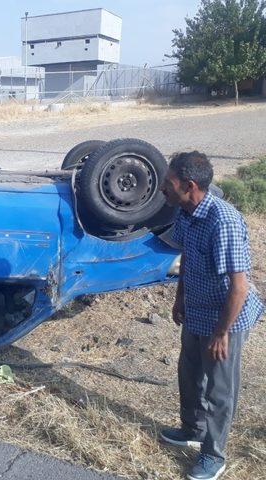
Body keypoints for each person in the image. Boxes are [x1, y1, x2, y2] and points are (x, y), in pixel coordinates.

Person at [159, 151, 263, 480]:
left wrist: (221, 333)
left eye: (169, 183)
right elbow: (187, 255)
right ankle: (192, 429)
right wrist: (180, 297)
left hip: (225, 317)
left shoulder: (224, 220)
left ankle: (213, 455)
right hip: (197, 309)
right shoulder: (186, 212)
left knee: (219, 389)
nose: (163, 187)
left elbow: (239, 288)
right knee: (189, 374)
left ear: (189, 186)